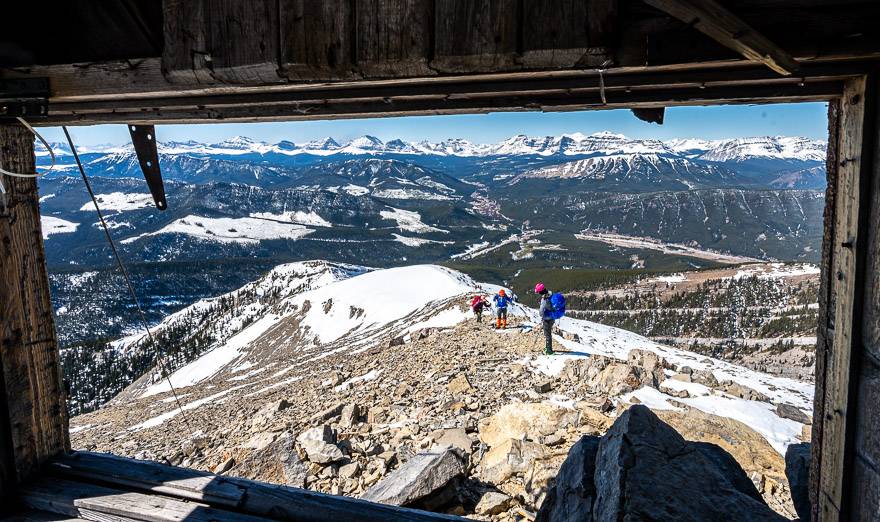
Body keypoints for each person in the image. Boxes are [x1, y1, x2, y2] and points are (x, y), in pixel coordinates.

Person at [535, 282, 554, 355]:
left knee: (547, 334)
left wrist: (542, 314)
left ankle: (549, 350)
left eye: (538, 292)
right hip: (552, 316)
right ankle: (548, 348)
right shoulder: (550, 294)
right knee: (548, 333)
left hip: (547, 318)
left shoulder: (544, 299)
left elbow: (541, 312)